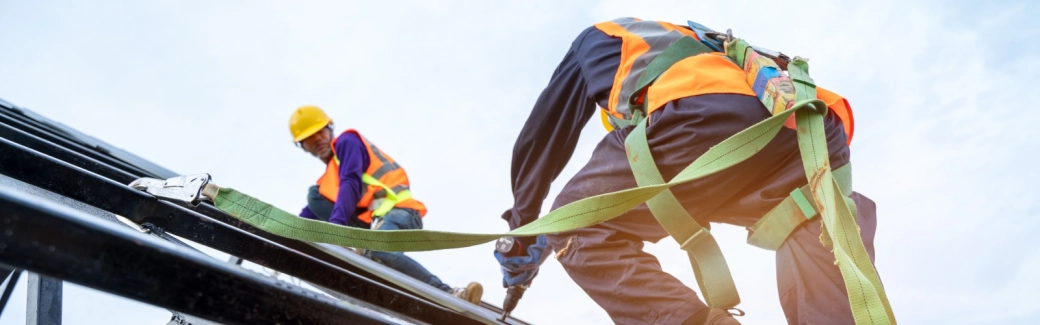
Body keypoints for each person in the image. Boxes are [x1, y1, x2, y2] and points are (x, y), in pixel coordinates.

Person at [493, 18, 882, 324]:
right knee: (816, 235)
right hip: (812, 131)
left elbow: (541, 139)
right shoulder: (705, 43)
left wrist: (524, 227)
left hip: (702, 112)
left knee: (576, 222)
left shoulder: (599, 38)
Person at [288, 105, 483, 304]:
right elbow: (306, 220)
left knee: (378, 248)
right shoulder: (325, 184)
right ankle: (367, 262)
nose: (317, 139)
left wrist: (337, 231)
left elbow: (351, 182)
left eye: (319, 131)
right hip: (375, 222)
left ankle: (450, 294)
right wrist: (286, 237)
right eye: (308, 138)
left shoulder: (347, 142)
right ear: (302, 146)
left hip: (400, 211)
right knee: (315, 197)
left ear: (330, 128)